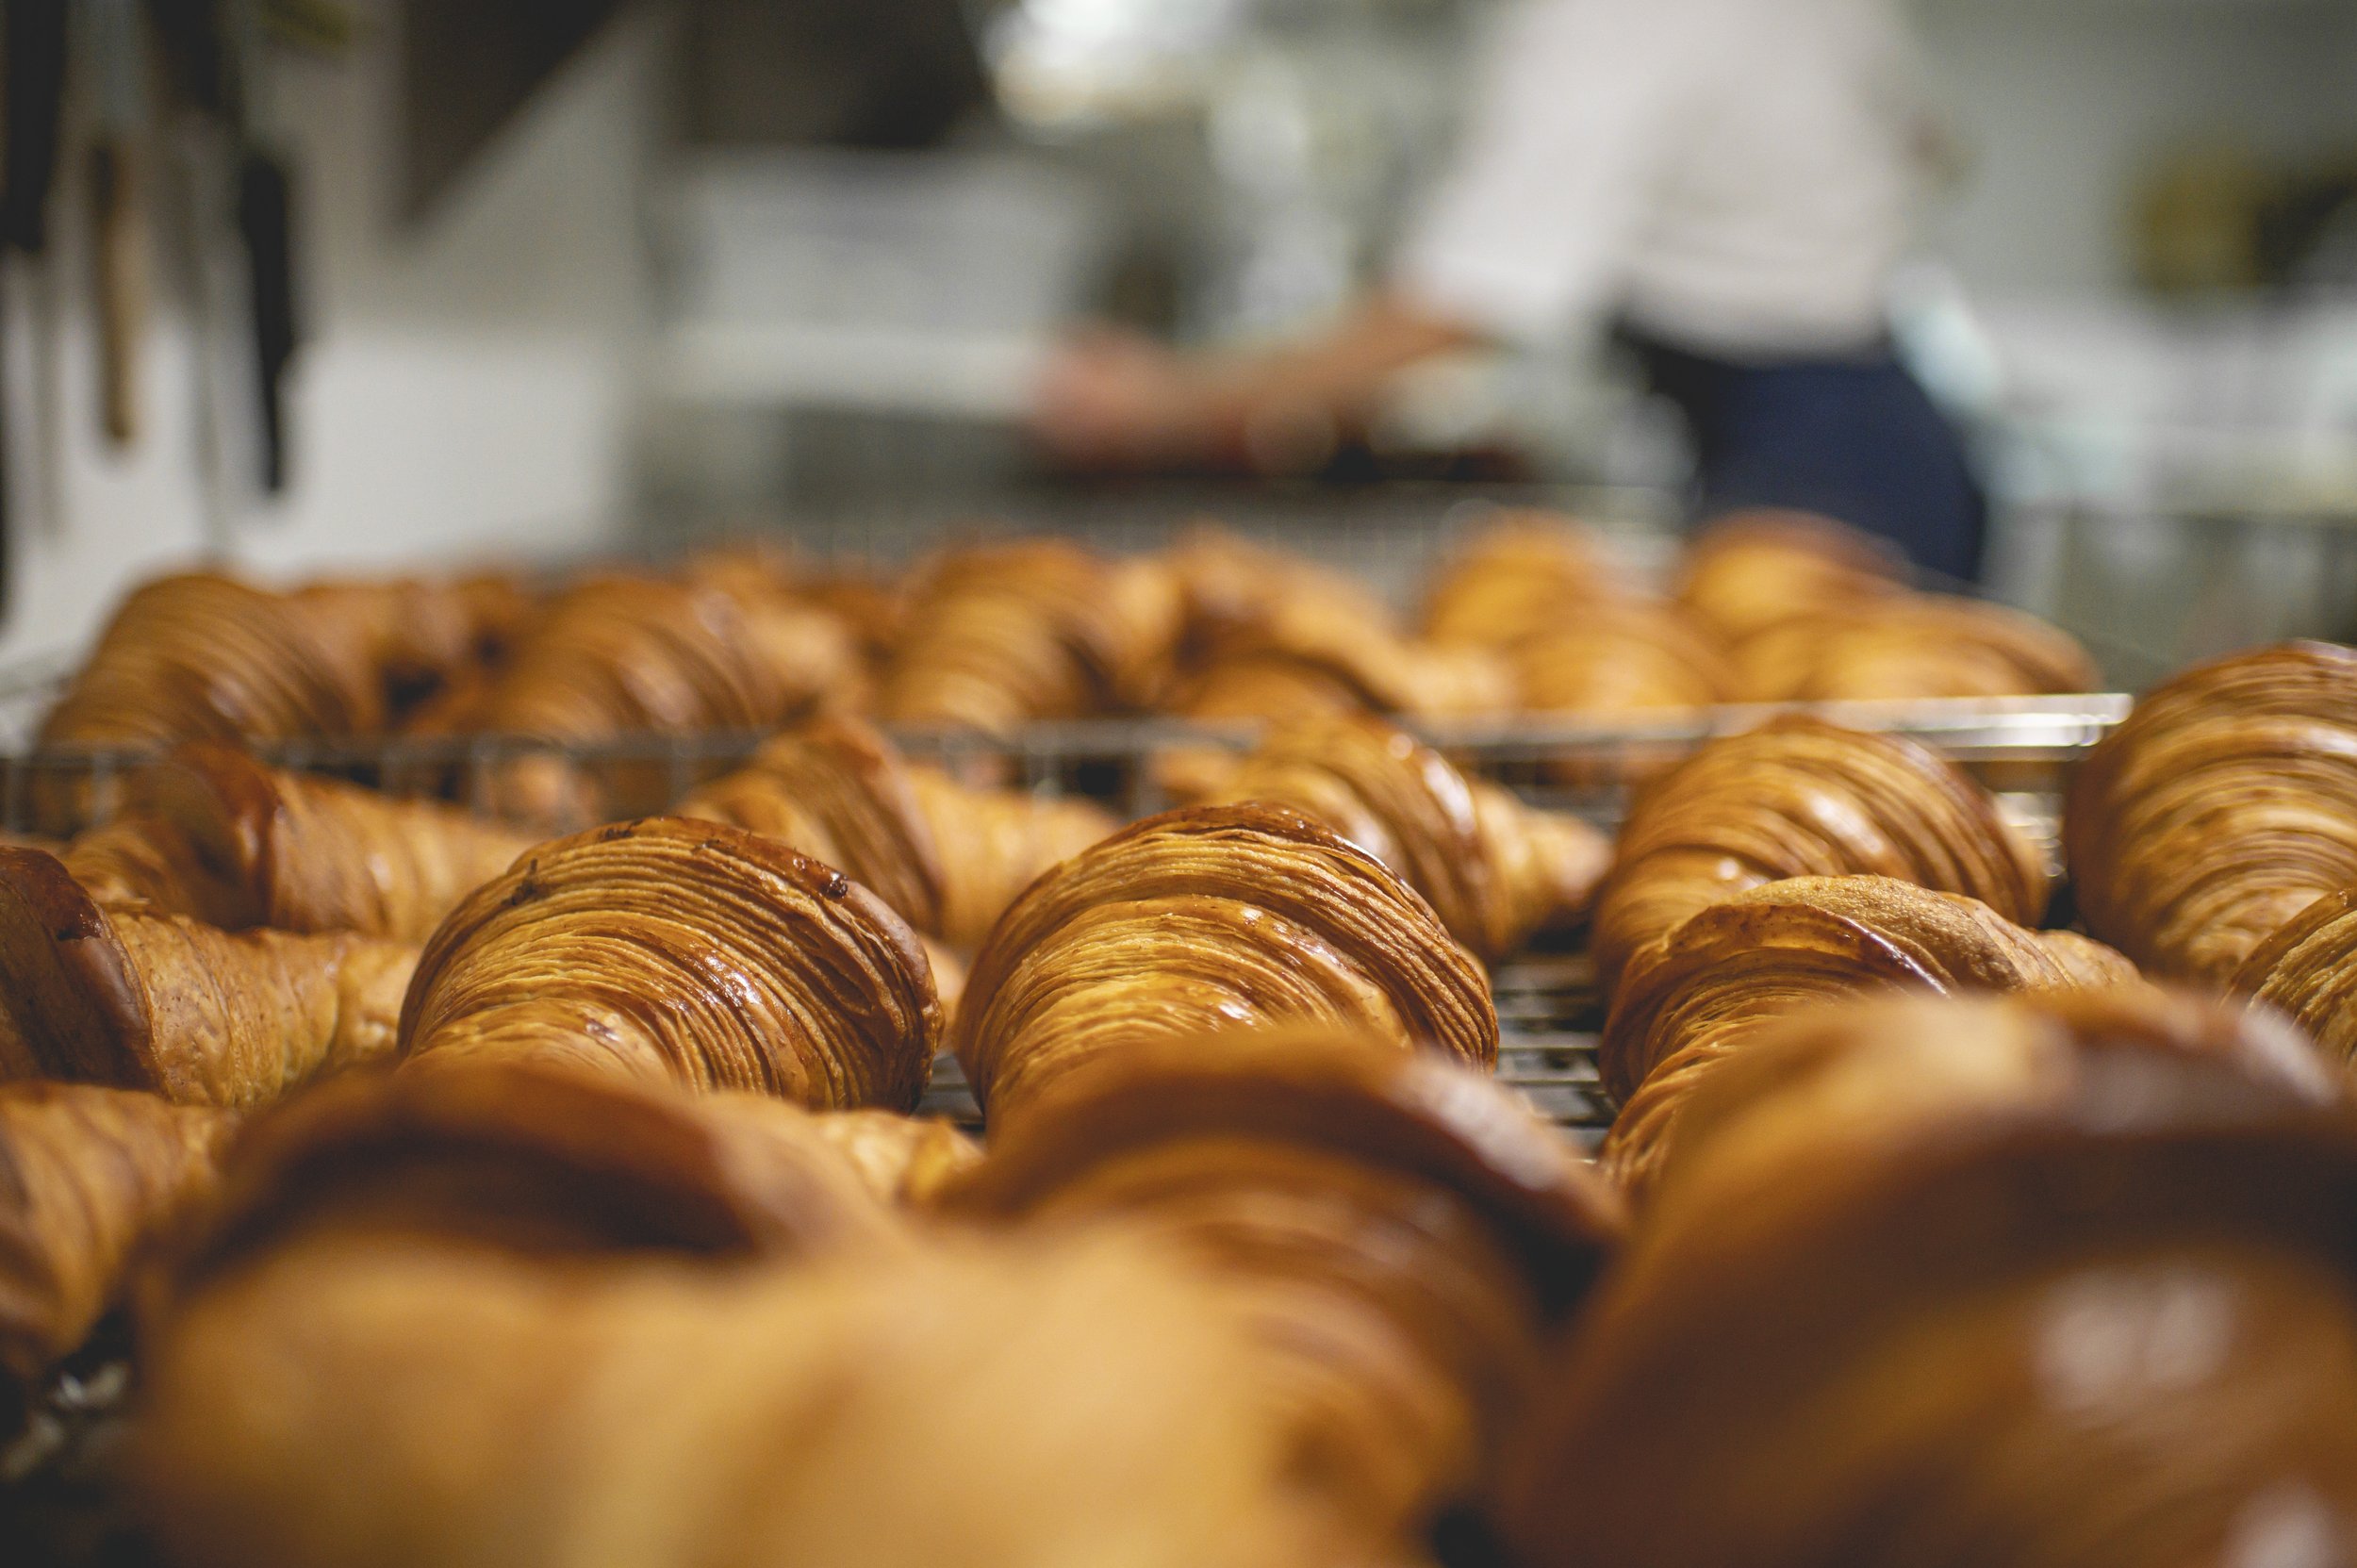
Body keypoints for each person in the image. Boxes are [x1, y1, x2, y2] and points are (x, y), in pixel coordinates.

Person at [1030, 0, 1986, 583]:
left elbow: (1462, 302)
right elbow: (1932, 144)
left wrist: (1167, 403)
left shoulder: (1608, 17)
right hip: (1896, 427)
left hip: (1819, 461)